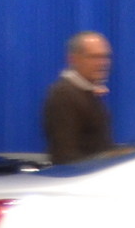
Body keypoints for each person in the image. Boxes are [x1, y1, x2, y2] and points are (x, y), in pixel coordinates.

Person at [42, 32, 114, 163]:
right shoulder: (63, 95)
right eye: (94, 57)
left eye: (105, 57)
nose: (103, 63)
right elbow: (65, 155)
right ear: (73, 59)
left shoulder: (88, 91)